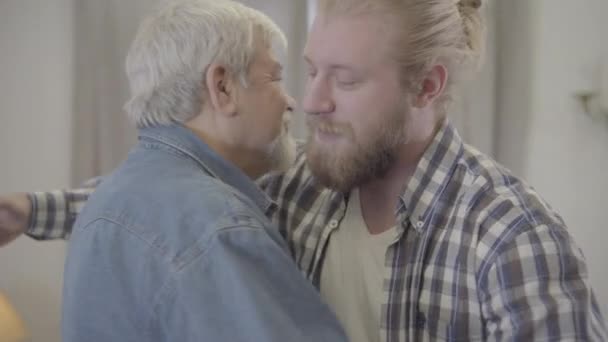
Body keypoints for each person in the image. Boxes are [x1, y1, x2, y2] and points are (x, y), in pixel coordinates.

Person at [1, 0, 607, 340]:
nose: (311, 100)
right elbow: (167, 201)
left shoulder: (511, 239)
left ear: (426, 85)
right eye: (309, 69)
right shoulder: (300, 189)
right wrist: (29, 209)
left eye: (344, 79)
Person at [5, 1, 348, 341]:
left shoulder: (112, 198)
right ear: (223, 87)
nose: (292, 101)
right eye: (275, 77)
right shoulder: (219, 226)